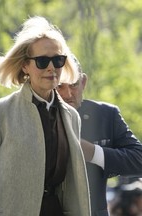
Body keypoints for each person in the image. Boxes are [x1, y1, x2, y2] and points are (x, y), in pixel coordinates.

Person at [0, 16, 91, 216]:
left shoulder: (72, 117)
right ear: (25, 66)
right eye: (42, 61)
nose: (51, 67)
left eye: (58, 60)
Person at [57, 55, 142, 216]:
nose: (67, 94)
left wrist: (93, 152)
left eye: (74, 84)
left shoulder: (106, 114)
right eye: (60, 86)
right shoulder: (35, 116)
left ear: (83, 82)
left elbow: (139, 159)